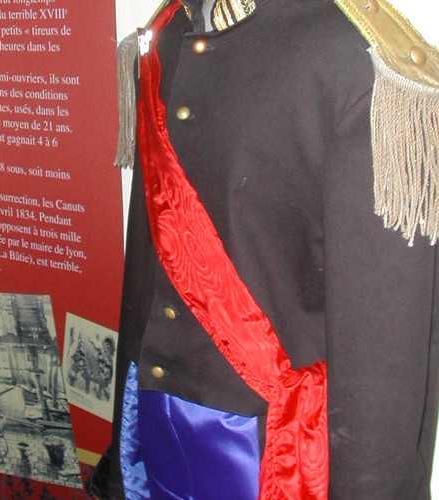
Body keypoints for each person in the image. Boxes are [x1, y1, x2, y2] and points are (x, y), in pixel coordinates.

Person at [89, 0, 439, 498]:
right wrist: (123, 461)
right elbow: (148, 266)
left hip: (272, 453)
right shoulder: (169, 31)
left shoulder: (358, 61)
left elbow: (384, 358)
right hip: (155, 433)